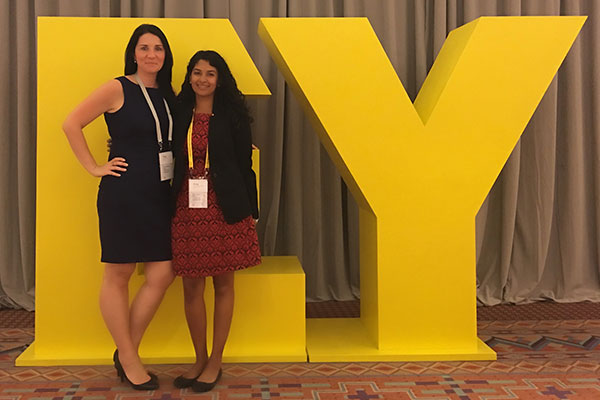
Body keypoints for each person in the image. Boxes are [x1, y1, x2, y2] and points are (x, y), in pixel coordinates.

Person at [62, 24, 176, 390]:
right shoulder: (118, 87)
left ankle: (125, 350)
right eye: (144, 48)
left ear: (165, 55)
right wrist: (94, 167)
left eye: (158, 48)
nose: (151, 55)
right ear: (134, 52)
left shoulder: (168, 93)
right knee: (119, 274)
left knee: (163, 272)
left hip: (160, 195)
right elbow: (71, 123)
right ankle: (129, 360)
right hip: (124, 194)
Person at [170, 50, 261, 393]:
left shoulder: (234, 116)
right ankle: (199, 358)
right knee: (191, 285)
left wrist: (251, 211)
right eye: (197, 72)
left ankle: (216, 361)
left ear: (220, 79)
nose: (203, 79)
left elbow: (244, 164)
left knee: (224, 285)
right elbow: (160, 148)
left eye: (210, 73)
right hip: (185, 207)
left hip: (224, 206)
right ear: (189, 76)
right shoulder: (178, 110)